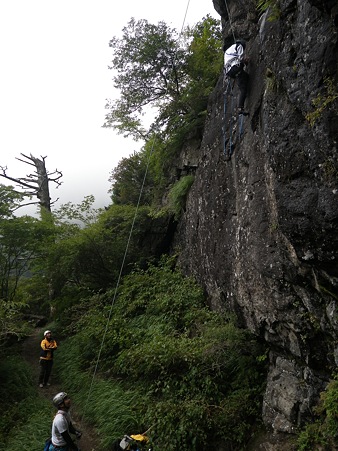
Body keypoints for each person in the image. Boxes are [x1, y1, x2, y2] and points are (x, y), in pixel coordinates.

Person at [223, 40, 249, 115]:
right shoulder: (239, 46)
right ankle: (240, 107)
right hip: (235, 68)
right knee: (243, 89)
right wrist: (246, 61)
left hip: (230, 72)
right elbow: (241, 57)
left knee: (245, 77)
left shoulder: (227, 52)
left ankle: (243, 95)